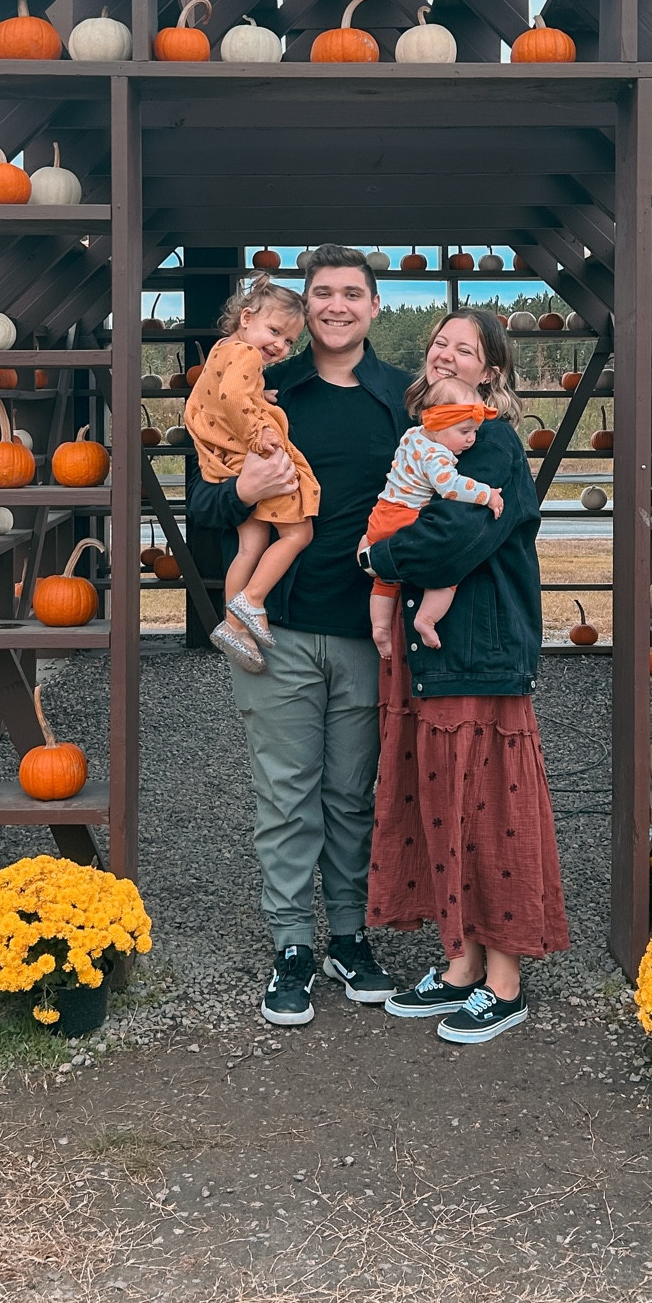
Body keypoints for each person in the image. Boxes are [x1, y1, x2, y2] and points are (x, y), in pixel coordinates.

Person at [186, 245, 411, 1028]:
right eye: (323, 294)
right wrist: (241, 490)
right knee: (286, 797)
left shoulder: (399, 397)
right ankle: (291, 946)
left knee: (351, 794)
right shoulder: (263, 388)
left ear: (374, 306)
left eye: (352, 292)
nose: (337, 305)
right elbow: (201, 506)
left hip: (366, 631)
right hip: (276, 628)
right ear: (302, 308)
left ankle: (349, 936)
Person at [361, 310, 569, 1045]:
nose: (447, 353)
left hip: (479, 649)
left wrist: (378, 558)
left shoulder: (494, 440)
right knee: (445, 806)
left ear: (492, 371)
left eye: (466, 348)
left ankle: (504, 984)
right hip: (435, 654)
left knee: (490, 811)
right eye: (440, 343)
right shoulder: (429, 434)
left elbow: (454, 539)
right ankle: (461, 965)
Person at [183, 277, 318, 673]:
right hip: (250, 459)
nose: (280, 345)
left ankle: (233, 625)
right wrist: (259, 432)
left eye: (290, 341)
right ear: (246, 318)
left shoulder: (224, 350)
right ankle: (252, 601)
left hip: (227, 464)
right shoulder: (246, 354)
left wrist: (260, 397)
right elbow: (233, 398)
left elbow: (225, 392)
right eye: (274, 331)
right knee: (298, 534)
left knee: (250, 546)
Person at [359, 376, 504, 657]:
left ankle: (380, 628)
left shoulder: (412, 436)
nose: (471, 439)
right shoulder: (436, 455)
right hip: (406, 517)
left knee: (384, 580)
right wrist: (487, 495)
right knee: (448, 573)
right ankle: (426, 619)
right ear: (437, 425)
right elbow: (450, 487)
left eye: (475, 431)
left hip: (381, 515)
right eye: (464, 431)